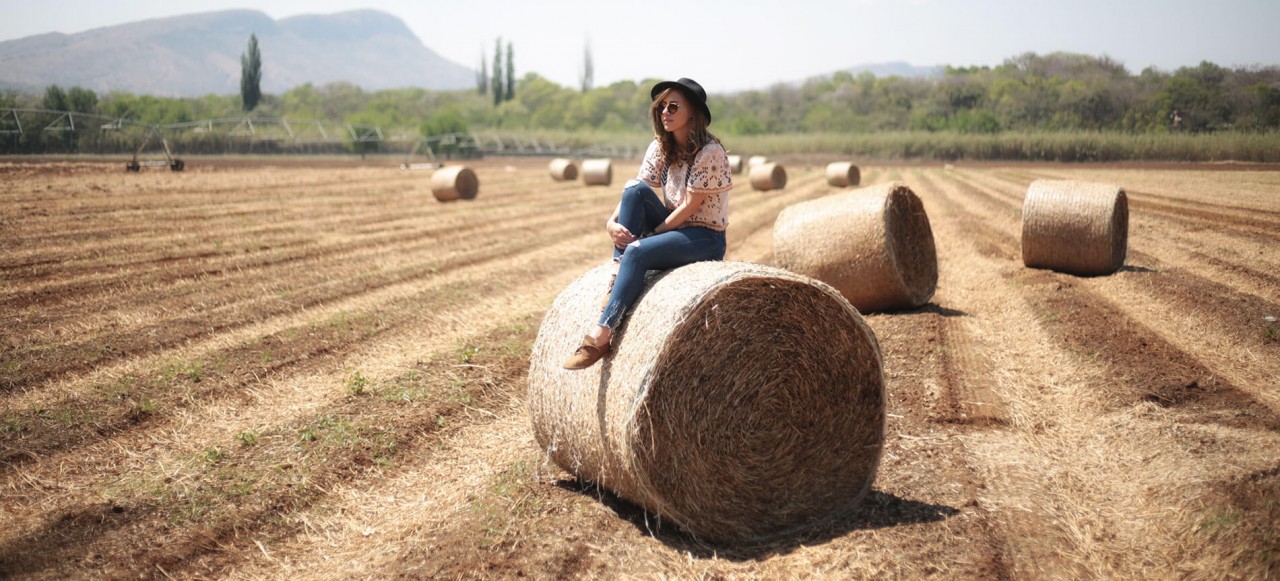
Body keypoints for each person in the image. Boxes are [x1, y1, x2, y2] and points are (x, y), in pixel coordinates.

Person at [563, 77, 732, 370]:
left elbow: (692, 206)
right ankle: (616, 279)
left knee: (638, 251)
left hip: (705, 236)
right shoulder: (660, 146)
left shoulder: (710, 152)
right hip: (674, 226)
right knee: (633, 190)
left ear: (692, 112)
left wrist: (652, 235)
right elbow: (640, 187)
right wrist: (610, 223)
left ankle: (603, 333)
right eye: (662, 107)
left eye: (673, 106)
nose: (665, 112)